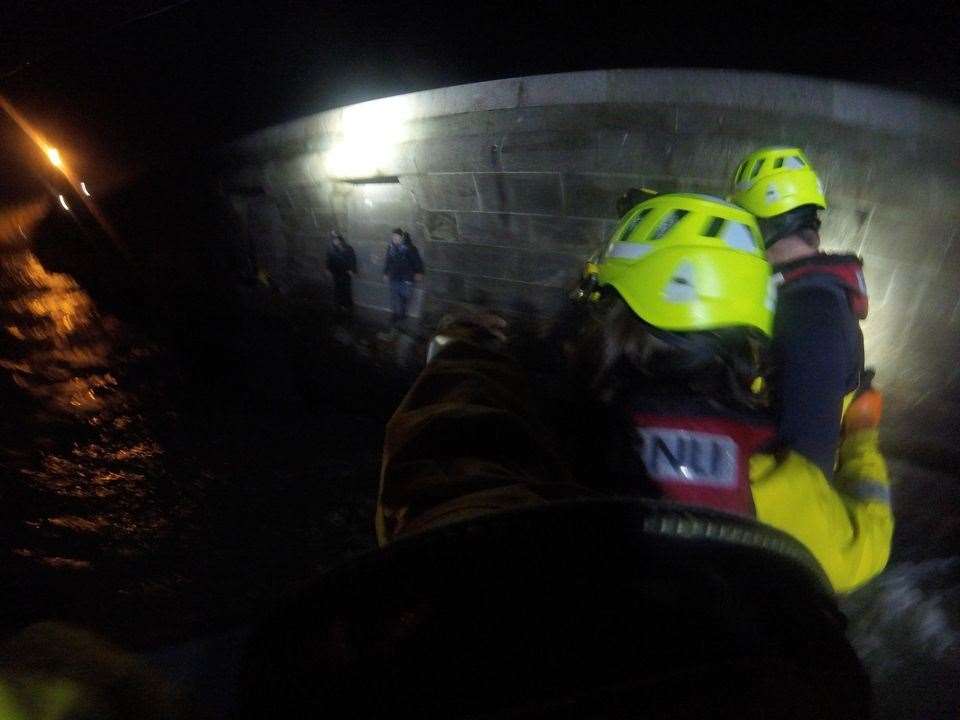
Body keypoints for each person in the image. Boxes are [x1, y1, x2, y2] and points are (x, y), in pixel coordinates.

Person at [238, 195, 890, 717]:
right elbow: (864, 544)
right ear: (753, 331)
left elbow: (441, 477)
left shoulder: (552, 448)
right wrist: (861, 441)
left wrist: (469, 351)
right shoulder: (788, 485)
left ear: (613, 319)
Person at [730, 147, 867, 477]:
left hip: (774, 516)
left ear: (762, 226)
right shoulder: (799, 295)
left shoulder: (812, 310)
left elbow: (805, 462)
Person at [382, 228, 424, 327]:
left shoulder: (410, 248)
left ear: (401, 237)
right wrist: (385, 273)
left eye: (396, 236)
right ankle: (395, 314)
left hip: (406, 278)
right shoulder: (391, 247)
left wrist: (419, 272)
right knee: (394, 297)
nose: (394, 238)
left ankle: (402, 315)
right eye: (393, 236)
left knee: (404, 298)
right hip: (394, 276)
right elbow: (388, 261)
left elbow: (417, 261)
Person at [326, 231, 357, 313]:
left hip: (346, 272)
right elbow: (329, 260)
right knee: (337, 289)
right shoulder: (331, 249)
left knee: (346, 289)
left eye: (336, 239)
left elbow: (353, 260)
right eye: (333, 240)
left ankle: (347, 305)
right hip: (336, 272)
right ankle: (338, 304)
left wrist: (352, 270)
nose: (335, 241)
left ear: (340, 240)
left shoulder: (348, 248)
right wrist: (328, 269)